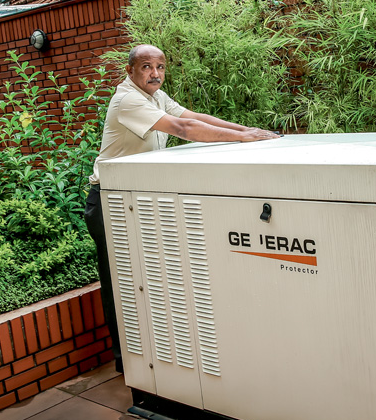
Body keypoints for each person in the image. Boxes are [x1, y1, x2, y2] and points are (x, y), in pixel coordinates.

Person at [84, 44, 279, 373]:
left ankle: (156, 356)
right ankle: (126, 363)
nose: (155, 74)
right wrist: (242, 139)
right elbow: (183, 130)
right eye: (146, 67)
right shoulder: (129, 99)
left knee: (147, 279)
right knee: (121, 283)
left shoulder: (154, 96)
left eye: (160, 67)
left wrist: (244, 131)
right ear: (130, 71)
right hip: (109, 200)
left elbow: (191, 116)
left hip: (135, 198)